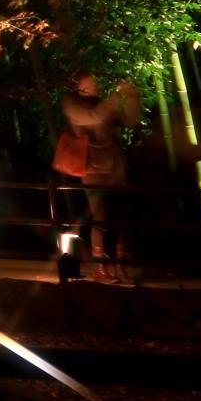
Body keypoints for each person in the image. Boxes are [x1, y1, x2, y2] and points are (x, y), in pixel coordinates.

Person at [62, 71, 140, 283]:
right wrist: (115, 97)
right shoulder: (72, 105)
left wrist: (133, 97)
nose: (96, 84)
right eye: (91, 81)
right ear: (80, 85)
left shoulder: (102, 104)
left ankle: (120, 266)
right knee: (101, 219)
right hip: (93, 170)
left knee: (121, 219)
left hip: (116, 169)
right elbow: (95, 116)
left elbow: (130, 122)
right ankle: (100, 268)